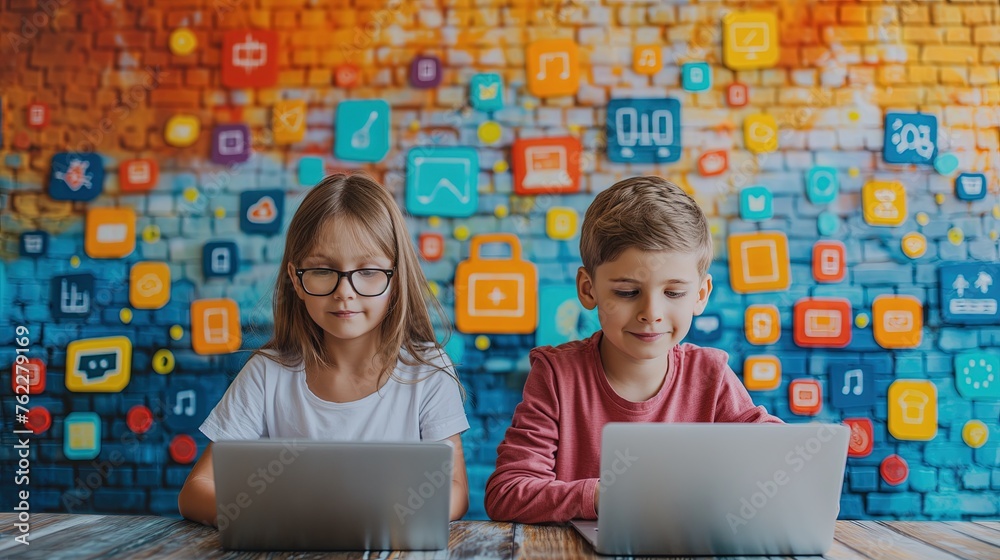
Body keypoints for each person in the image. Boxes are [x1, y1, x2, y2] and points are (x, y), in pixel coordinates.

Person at [485, 176, 782, 524]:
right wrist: (602, 496)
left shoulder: (711, 375)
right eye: (627, 292)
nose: (651, 312)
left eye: (674, 293)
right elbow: (507, 492)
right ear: (588, 289)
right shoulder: (557, 375)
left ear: (701, 295)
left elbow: (777, 456)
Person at [179, 174, 470, 525]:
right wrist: (276, 518)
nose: (344, 291)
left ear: (396, 278)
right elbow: (197, 489)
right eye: (322, 270)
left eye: (367, 271)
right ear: (296, 279)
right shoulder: (267, 373)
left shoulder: (426, 371)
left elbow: (455, 491)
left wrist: (380, 518)